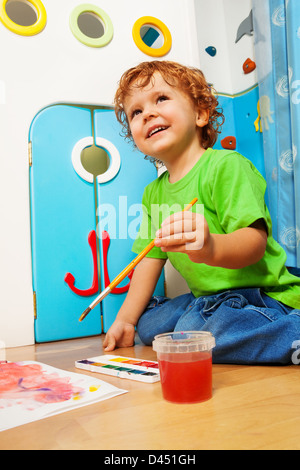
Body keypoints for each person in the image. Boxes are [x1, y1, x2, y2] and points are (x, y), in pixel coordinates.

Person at [103, 60, 300, 364]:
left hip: (260, 292)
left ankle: (291, 329)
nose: (148, 113)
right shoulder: (152, 193)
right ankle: (199, 321)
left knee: (207, 332)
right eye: (136, 112)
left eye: (161, 98)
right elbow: (148, 261)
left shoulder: (226, 166)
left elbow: (255, 242)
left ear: (200, 113)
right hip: (208, 298)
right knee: (149, 325)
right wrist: (126, 320)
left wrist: (210, 247)